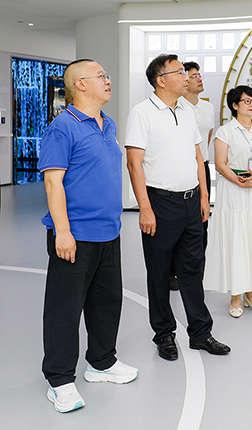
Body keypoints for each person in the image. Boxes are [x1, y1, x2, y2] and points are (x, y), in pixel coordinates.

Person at [39, 59, 138, 413]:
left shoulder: (107, 124)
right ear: (80, 84)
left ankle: (102, 362)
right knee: (65, 310)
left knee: (107, 302)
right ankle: (59, 380)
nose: (108, 81)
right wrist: (63, 232)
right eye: (101, 76)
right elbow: (53, 182)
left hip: (108, 232)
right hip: (75, 235)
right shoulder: (62, 127)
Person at [125, 53, 230, 360]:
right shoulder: (142, 113)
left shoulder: (187, 110)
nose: (187, 77)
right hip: (160, 204)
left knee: (193, 270)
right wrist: (145, 208)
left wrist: (204, 197)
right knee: (159, 273)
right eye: (180, 72)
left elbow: (198, 156)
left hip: (191, 202)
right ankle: (164, 335)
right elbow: (134, 164)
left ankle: (200, 333)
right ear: (161, 80)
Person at [204, 86, 252, 316]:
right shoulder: (225, 132)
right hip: (233, 189)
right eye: (246, 101)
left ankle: (251, 292)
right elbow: (220, 164)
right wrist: (239, 181)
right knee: (236, 238)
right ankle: (235, 296)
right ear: (235, 105)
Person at [166, 61, 214, 292]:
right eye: (194, 75)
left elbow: (206, 138)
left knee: (201, 220)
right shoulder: (177, 106)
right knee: (178, 223)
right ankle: (172, 271)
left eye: (199, 75)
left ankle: (196, 268)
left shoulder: (208, 107)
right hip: (180, 168)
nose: (199, 78)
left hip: (201, 166)